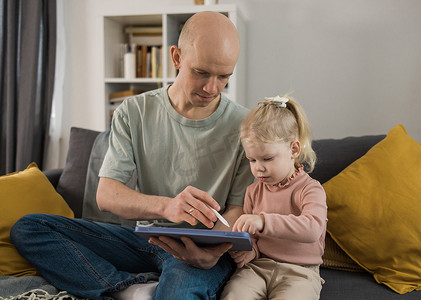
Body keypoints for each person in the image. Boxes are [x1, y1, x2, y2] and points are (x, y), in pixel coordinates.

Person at [11, 11, 254, 300]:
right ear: (176, 58)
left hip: (201, 249)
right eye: (201, 72)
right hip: (146, 239)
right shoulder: (134, 112)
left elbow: (237, 209)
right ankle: (130, 289)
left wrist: (214, 253)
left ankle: (129, 289)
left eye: (223, 76)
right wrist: (167, 207)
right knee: (29, 228)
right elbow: (107, 195)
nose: (212, 88)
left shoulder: (247, 126)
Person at [220, 96, 327, 300]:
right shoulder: (253, 191)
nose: (258, 167)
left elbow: (312, 229)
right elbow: (254, 238)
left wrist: (263, 220)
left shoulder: (310, 190)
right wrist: (250, 250)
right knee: (233, 294)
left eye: (267, 158)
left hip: (300, 272)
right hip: (258, 268)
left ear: (293, 149)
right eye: (252, 159)